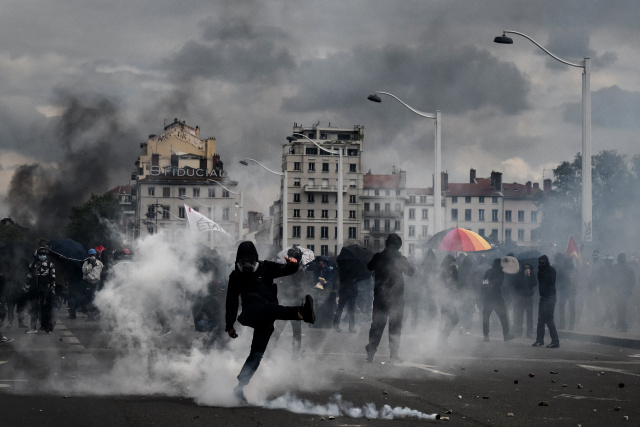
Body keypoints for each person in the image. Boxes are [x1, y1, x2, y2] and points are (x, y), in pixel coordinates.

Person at [225, 241, 315, 404]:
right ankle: (301, 313)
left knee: (257, 354)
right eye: (242, 260)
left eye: (249, 260)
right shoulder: (235, 276)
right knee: (267, 307)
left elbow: (287, 270)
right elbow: (231, 302)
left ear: (255, 259)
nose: (246, 264)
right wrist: (229, 325)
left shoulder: (266, 267)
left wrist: (293, 264)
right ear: (238, 259)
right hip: (251, 313)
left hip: (267, 318)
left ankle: (240, 387)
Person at [365, 233, 414, 363]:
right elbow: (411, 272)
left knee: (377, 325)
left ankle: (371, 351)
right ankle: (394, 354)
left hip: (380, 297)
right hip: (396, 298)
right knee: (395, 326)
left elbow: (369, 266)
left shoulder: (379, 257)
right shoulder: (400, 258)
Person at [272, 247, 307, 358]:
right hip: (294, 303)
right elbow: (302, 288)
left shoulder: (284, 268)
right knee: (296, 331)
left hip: (283, 302)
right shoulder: (299, 270)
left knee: (278, 328)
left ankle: (269, 350)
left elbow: (277, 284)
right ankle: (295, 354)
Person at [481, 258, 515, 342]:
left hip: (488, 298)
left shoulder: (488, 272)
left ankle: (486, 335)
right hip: (497, 298)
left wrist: (485, 294)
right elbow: (503, 285)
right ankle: (506, 335)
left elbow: (483, 285)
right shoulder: (502, 273)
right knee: (503, 317)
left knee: (486, 317)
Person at [25, 247, 56, 334]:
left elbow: (53, 278)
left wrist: (52, 288)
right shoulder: (33, 264)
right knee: (34, 308)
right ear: (37, 255)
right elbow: (29, 276)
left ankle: (47, 328)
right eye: (41, 254)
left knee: (46, 309)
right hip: (34, 289)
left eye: (44, 254)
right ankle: (33, 327)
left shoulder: (50, 265)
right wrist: (26, 287)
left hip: (46, 290)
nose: (42, 256)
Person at [532, 255, 560, 348]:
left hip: (550, 297)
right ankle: (539, 340)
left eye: (543, 262)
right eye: (540, 263)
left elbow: (550, 281)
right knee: (540, 320)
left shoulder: (551, 270)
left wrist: (543, 271)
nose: (541, 264)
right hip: (543, 297)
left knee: (549, 320)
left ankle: (555, 341)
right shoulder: (540, 271)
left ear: (546, 262)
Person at [438, 254, 460, 344]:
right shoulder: (443, 271)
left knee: (451, 318)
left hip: (449, 298)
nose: (453, 265)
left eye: (454, 263)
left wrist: (455, 272)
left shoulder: (452, 270)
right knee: (450, 318)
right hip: (444, 298)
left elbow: (456, 283)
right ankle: (442, 338)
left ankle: (443, 338)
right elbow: (443, 284)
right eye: (452, 263)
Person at [512, 263, 537, 338]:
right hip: (521, 297)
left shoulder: (532, 274)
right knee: (520, 314)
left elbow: (534, 283)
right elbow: (516, 285)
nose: (527, 270)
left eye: (528, 268)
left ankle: (529, 332)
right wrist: (524, 277)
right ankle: (519, 331)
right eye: (525, 268)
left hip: (529, 297)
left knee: (530, 316)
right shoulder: (519, 275)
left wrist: (529, 277)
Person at [612, 253, 636, 332]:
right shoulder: (627, 268)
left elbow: (632, 280)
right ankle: (621, 325)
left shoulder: (615, 267)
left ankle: (623, 326)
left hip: (621, 292)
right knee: (622, 309)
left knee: (620, 309)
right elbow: (632, 281)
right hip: (622, 292)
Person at [80, 249, 103, 320]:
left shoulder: (99, 263)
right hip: (88, 282)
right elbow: (84, 271)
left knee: (95, 298)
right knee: (88, 298)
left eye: (93, 255)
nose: (92, 256)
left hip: (96, 282)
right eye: (91, 255)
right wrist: (90, 264)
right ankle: (87, 313)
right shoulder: (86, 263)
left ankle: (95, 314)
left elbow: (101, 271)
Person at [556, 256, 578, 330]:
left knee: (564, 308)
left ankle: (564, 325)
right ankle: (569, 325)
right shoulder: (574, 269)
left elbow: (557, 280)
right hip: (568, 291)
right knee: (570, 308)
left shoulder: (562, 269)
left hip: (567, 291)